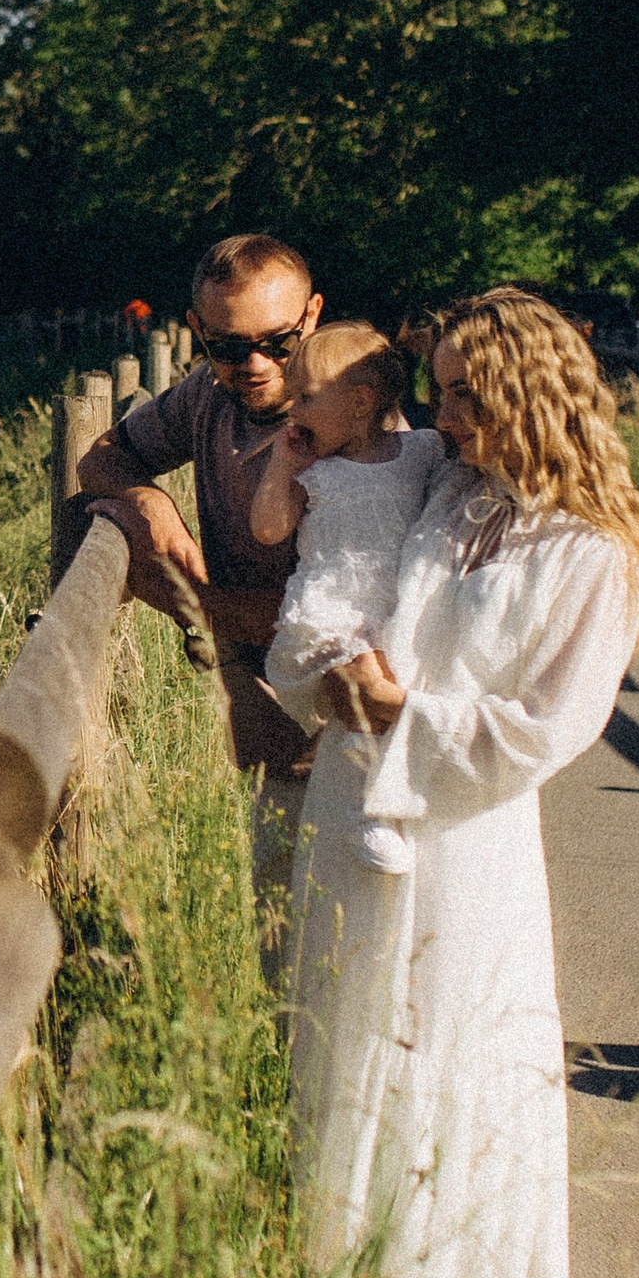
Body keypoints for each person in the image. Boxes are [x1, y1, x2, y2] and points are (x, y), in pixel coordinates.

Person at [270, 288, 639, 1278]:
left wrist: (410, 713)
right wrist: (334, 670)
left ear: (525, 396)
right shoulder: (447, 489)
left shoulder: (590, 555)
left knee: (468, 1056)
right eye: (437, 389)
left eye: (460, 392)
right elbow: (340, 569)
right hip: (356, 805)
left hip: (466, 833)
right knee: (355, 1046)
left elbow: (548, 729)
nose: (439, 414)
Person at [76, 231, 324, 782]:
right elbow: (100, 460)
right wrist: (149, 500)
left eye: (278, 342)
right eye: (230, 347)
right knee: (273, 849)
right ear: (198, 331)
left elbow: (334, 618)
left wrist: (196, 605)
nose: (255, 364)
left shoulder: (352, 424)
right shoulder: (209, 393)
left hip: (340, 704)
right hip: (253, 682)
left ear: (312, 316)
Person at [246, 323, 447, 876]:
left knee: (392, 693)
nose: (293, 409)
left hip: (398, 610)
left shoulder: (421, 452)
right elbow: (268, 529)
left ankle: (388, 811)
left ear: (359, 402)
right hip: (333, 612)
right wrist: (284, 464)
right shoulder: (318, 470)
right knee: (359, 696)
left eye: (306, 398)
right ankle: (366, 808)